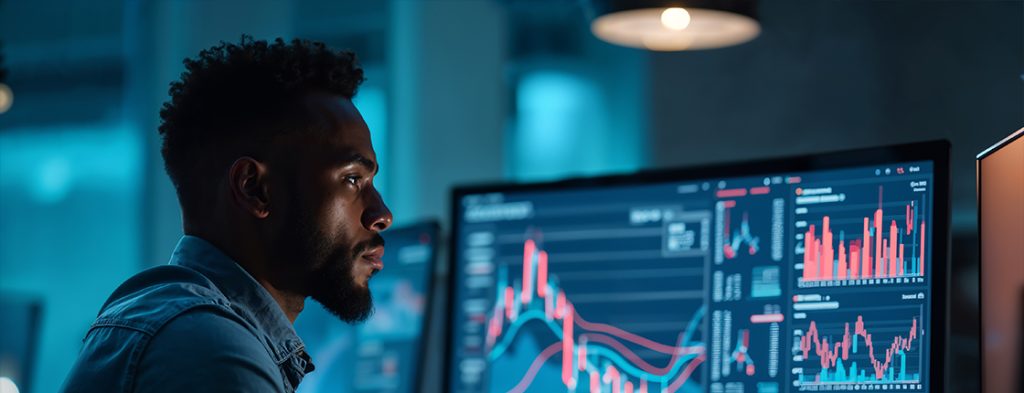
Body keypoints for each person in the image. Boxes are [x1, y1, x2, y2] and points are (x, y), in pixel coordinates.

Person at [60, 36, 392, 392]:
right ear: (254, 189)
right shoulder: (208, 350)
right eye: (353, 179)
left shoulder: (173, 317)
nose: (382, 214)